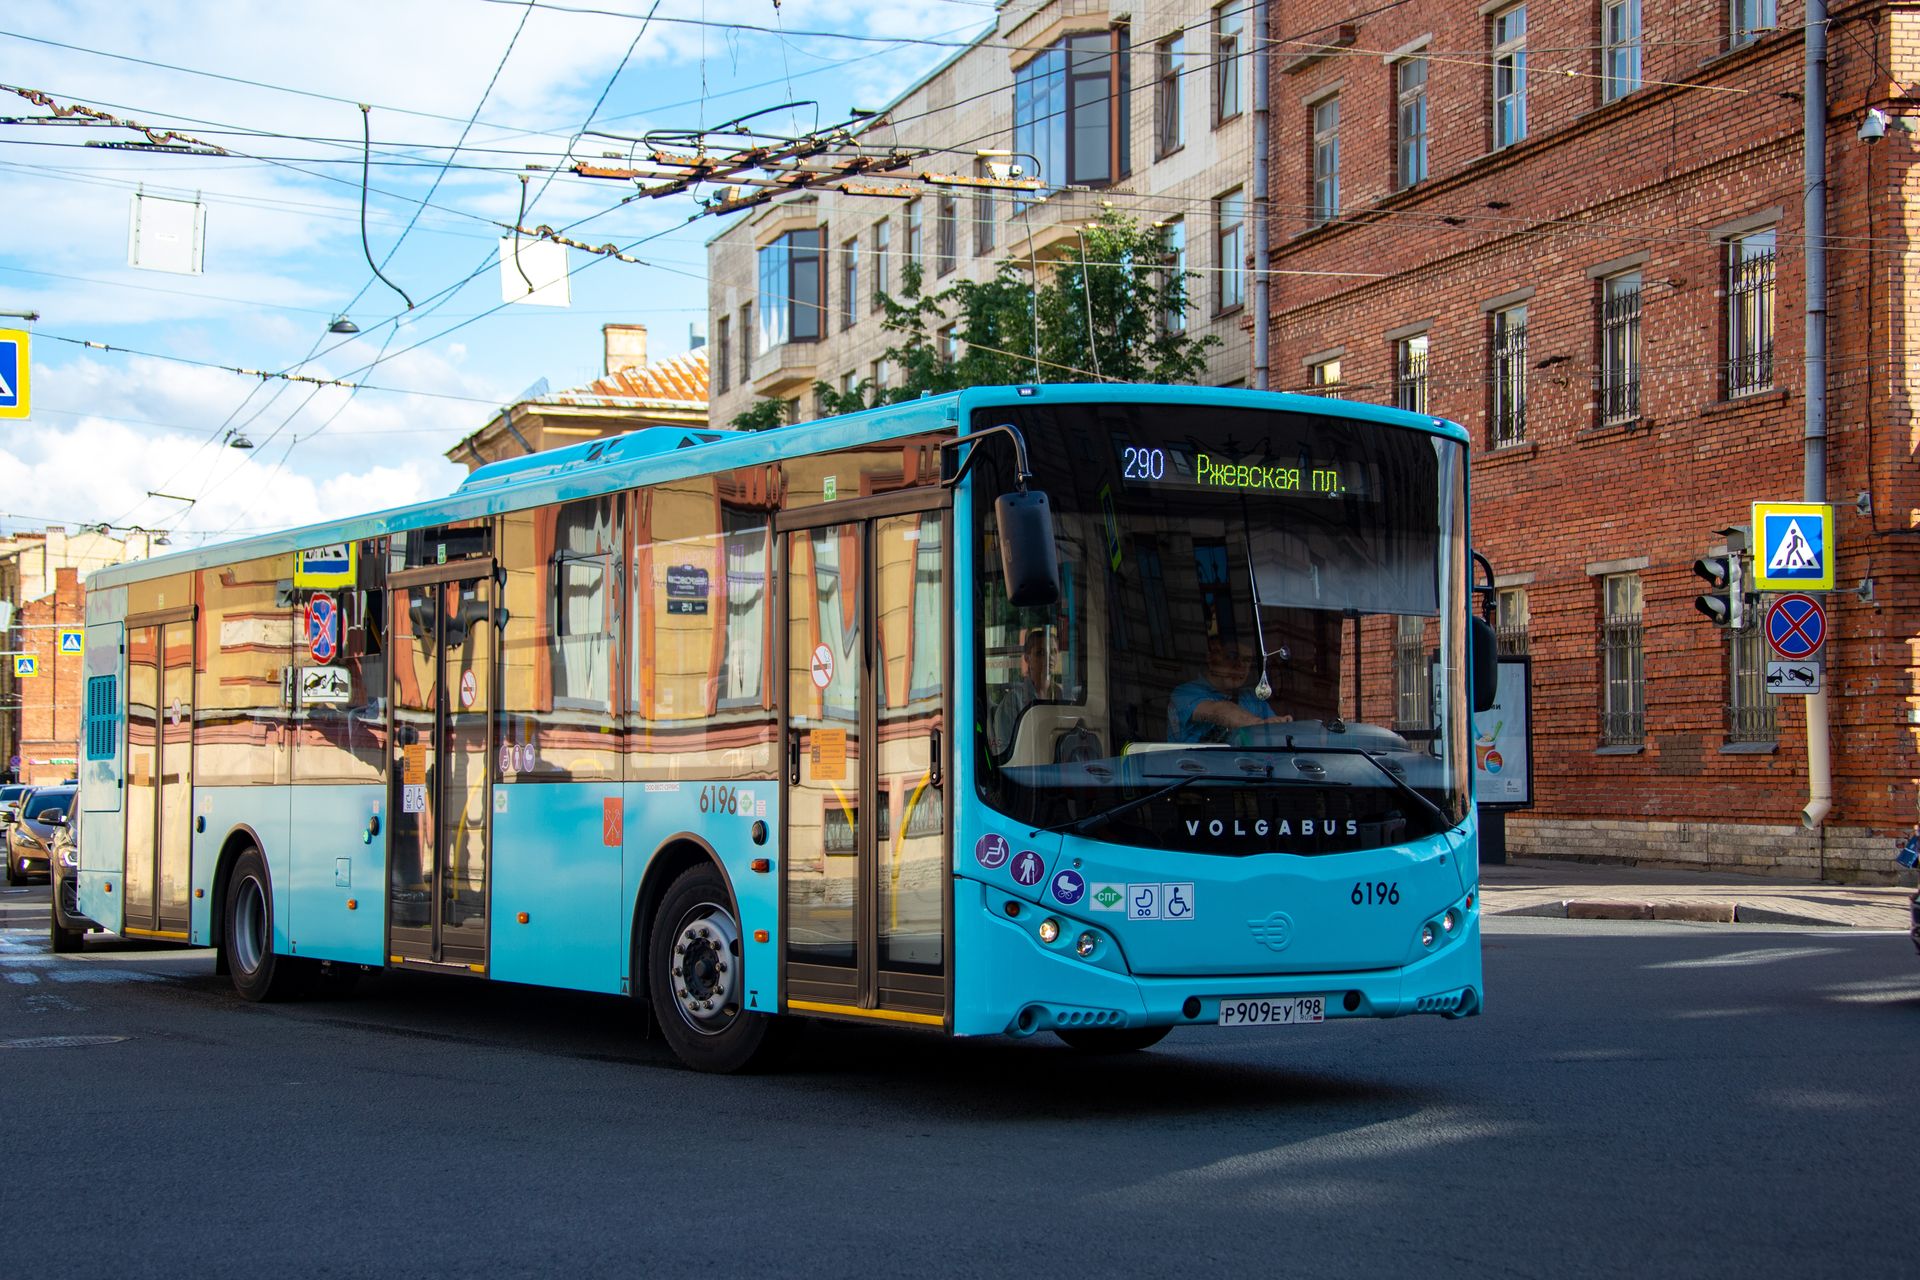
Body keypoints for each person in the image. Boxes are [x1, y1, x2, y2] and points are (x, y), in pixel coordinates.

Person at [1168, 635, 1292, 743]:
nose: (1241, 666)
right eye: (1233, 656)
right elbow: (1218, 710)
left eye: (1247, 660)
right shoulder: (1185, 693)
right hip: (1191, 767)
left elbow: (1275, 733)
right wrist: (1257, 724)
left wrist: (1281, 725)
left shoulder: (1252, 698)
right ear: (1211, 658)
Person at [992, 629, 1053, 753]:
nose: (1049, 658)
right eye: (1040, 653)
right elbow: (1005, 750)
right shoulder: (1013, 701)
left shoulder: (1064, 695)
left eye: (1053, 652)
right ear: (1027, 658)